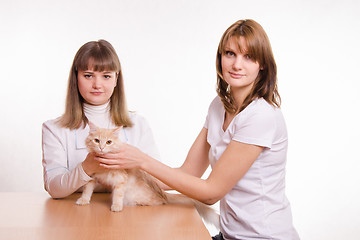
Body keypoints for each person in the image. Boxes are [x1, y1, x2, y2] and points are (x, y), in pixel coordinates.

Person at [87, 19, 300, 239]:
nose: (237, 64)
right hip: (229, 235)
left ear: (262, 64)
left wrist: (142, 160)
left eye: (248, 57)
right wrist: (121, 178)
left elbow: (210, 193)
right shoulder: (219, 106)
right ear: (220, 57)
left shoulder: (261, 117)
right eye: (230, 53)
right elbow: (188, 172)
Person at [42, 39, 160, 199]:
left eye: (106, 76)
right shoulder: (54, 129)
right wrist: (86, 168)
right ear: (76, 77)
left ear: (116, 79)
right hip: (73, 216)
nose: (97, 84)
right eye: (88, 75)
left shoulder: (138, 124)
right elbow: (54, 188)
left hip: (129, 215)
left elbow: (156, 180)